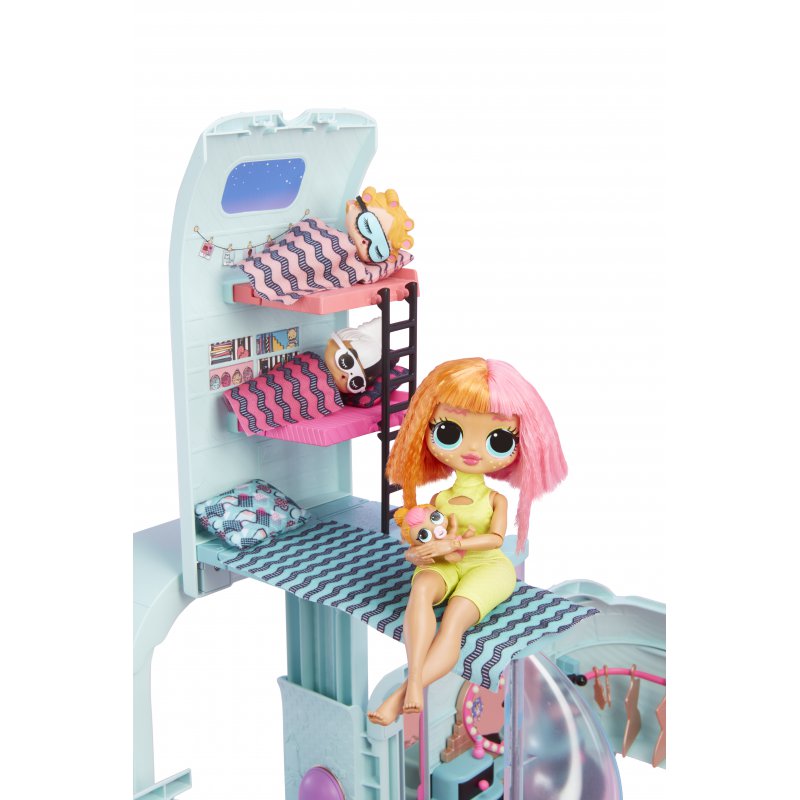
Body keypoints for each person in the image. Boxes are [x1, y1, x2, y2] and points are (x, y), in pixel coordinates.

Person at [368, 357, 567, 725]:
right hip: (447, 564)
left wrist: (452, 546)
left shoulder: (495, 499)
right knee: (420, 591)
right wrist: (421, 552)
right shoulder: (439, 500)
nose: (473, 450)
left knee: (455, 619)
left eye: (498, 440)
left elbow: (495, 539)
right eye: (449, 432)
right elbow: (430, 536)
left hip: (487, 567)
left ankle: (405, 692)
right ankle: (414, 681)